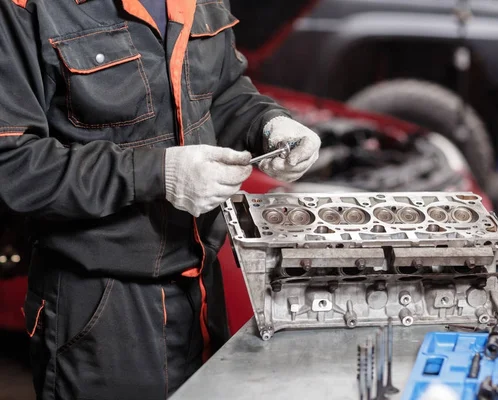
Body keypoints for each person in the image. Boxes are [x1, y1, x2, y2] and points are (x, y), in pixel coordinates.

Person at [0, 0, 320, 398]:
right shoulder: (28, 9)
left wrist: (268, 123)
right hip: (100, 313)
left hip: (201, 287)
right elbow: (13, 164)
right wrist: (159, 174)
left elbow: (220, 90)